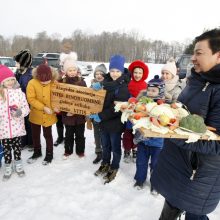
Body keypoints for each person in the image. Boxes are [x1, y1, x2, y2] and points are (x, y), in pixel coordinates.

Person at [151, 28, 220, 220]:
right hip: (176, 162)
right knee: (171, 205)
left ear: (218, 56)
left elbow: (216, 142)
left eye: (199, 53)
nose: (193, 58)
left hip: (198, 175)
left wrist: (172, 133)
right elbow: (182, 112)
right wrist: (162, 110)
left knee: (194, 214)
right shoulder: (197, 80)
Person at [91, 54, 130, 184]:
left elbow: (117, 108)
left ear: (122, 71)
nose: (114, 73)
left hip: (115, 124)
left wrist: (100, 116)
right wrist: (98, 87)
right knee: (105, 145)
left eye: (117, 71)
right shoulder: (105, 82)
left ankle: (114, 166)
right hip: (103, 123)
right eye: (112, 70)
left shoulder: (123, 87)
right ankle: (105, 163)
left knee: (115, 147)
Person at [133, 75, 164, 193]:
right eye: (149, 90)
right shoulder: (141, 104)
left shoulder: (163, 106)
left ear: (160, 91)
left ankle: (155, 184)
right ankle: (139, 180)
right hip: (143, 140)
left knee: (156, 165)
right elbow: (135, 118)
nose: (150, 93)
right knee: (141, 162)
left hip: (158, 142)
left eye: (154, 91)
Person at [0, 65, 30, 180]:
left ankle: (18, 164)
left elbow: (26, 109)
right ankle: (8, 166)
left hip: (17, 127)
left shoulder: (19, 93)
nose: (10, 82)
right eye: (7, 80)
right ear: (2, 82)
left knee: (17, 148)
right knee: (7, 149)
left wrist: (19, 112)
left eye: (12, 79)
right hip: (3, 129)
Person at [26, 64, 58, 165]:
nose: (45, 82)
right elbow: (31, 98)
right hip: (36, 114)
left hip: (49, 115)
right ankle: (37, 152)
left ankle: (49, 154)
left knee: (47, 135)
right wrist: (43, 107)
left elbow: (59, 97)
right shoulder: (32, 83)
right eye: (42, 81)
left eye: (47, 80)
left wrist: (56, 107)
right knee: (35, 135)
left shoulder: (54, 83)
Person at [60, 53, 87, 159]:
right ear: (66, 71)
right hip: (68, 116)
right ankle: (68, 150)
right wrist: (66, 111)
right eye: (69, 70)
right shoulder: (62, 83)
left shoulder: (82, 82)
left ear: (77, 70)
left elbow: (86, 98)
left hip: (80, 117)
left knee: (80, 135)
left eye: (74, 70)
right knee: (69, 135)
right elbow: (59, 100)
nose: (72, 72)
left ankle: (80, 151)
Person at [123, 60, 149, 163]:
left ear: (143, 74)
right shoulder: (128, 84)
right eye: (135, 72)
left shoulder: (146, 86)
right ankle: (127, 149)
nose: (137, 75)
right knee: (128, 133)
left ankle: (135, 149)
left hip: (140, 114)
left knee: (138, 133)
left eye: (140, 73)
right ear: (132, 73)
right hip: (129, 113)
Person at [14, 49, 33, 150]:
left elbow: (29, 89)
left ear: (23, 63)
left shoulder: (31, 74)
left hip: (29, 102)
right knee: (21, 122)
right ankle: (23, 141)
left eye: (17, 62)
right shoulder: (18, 72)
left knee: (30, 123)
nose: (16, 64)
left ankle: (31, 142)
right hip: (19, 102)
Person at [90, 63, 107, 164]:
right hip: (95, 115)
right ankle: (98, 152)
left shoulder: (108, 84)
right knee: (96, 134)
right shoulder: (91, 85)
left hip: (104, 117)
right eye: (97, 73)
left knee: (104, 135)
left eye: (101, 73)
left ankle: (106, 152)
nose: (99, 75)